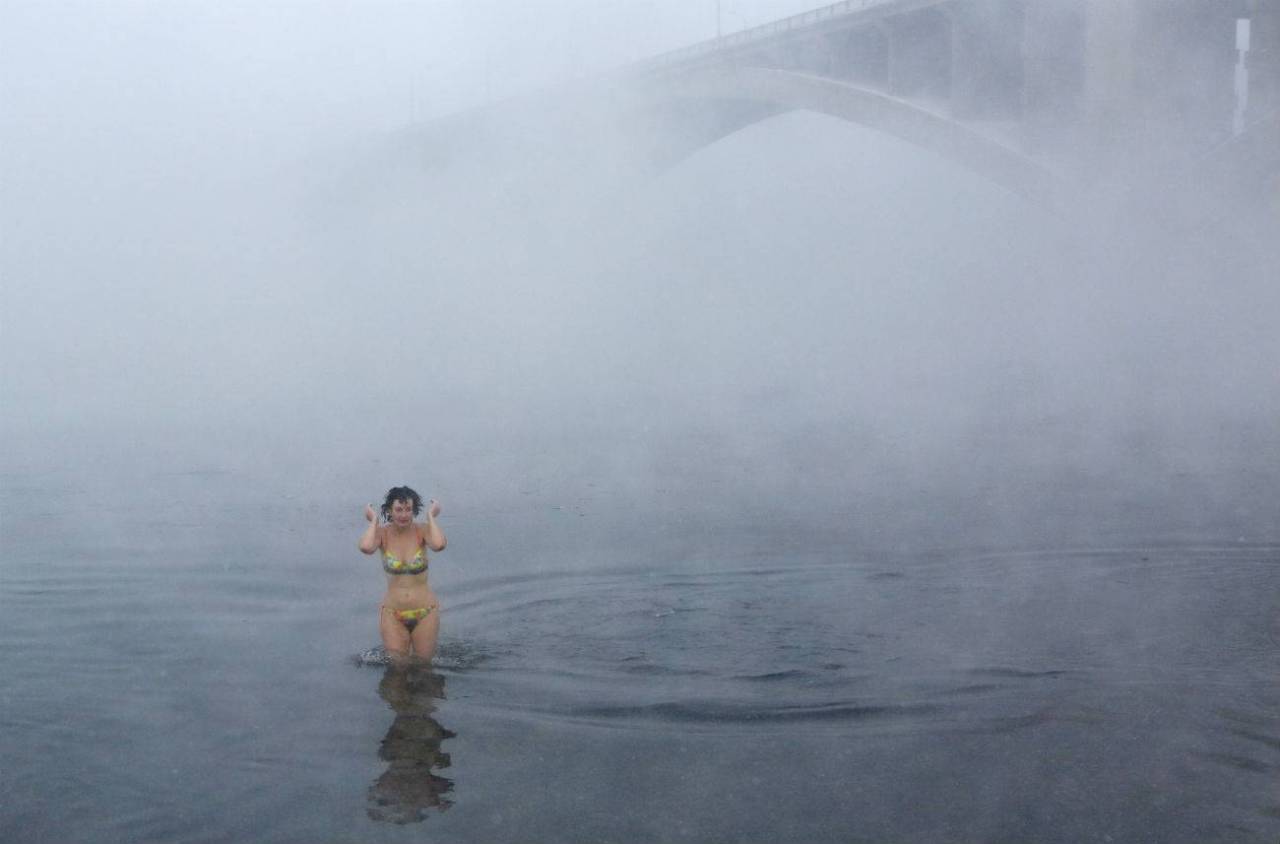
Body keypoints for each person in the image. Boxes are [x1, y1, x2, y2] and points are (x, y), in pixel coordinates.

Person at [359, 486, 447, 662]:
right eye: (399, 509)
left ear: (414, 511)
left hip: (426, 612)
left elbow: (439, 545)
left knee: (424, 666)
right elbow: (366, 547)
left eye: (408, 510)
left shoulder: (422, 531)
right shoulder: (382, 534)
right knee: (397, 668)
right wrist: (374, 520)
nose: (404, 515)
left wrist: (431, 516)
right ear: (389, 511)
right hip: (393, 613)